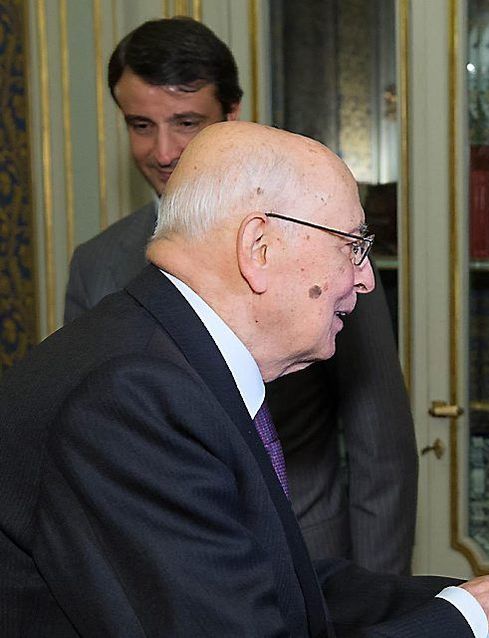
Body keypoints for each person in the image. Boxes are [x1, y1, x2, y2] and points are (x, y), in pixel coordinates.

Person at [0, 121, 489, 637]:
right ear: (260, 248)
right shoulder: (132, 397)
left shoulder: (171, 357)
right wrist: (476, 618)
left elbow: (281, 584)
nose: (367, 279)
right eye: (353, 246)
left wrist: (488, 597)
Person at [63, 16, 417, 574]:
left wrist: (381, 604)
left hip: (312, 562)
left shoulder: (328, 245)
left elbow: (382, 449)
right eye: (140, 125)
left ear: (230, 117)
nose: (162, 150)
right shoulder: (98, 263)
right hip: (158, 571)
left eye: (186, 122)